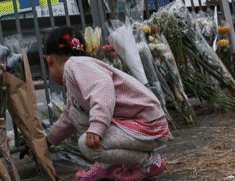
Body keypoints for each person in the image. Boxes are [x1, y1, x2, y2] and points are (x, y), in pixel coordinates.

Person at [42, 26, 169, 181]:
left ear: (49, 59)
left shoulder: (74, 65)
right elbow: (68, 117)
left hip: (148, 126)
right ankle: (108, 165)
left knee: (87, 146)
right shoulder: (78, 68)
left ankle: (148, 162)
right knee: (74, 112)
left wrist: (97, 127)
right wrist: (49, 141)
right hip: (135, 124)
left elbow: (102, 89)